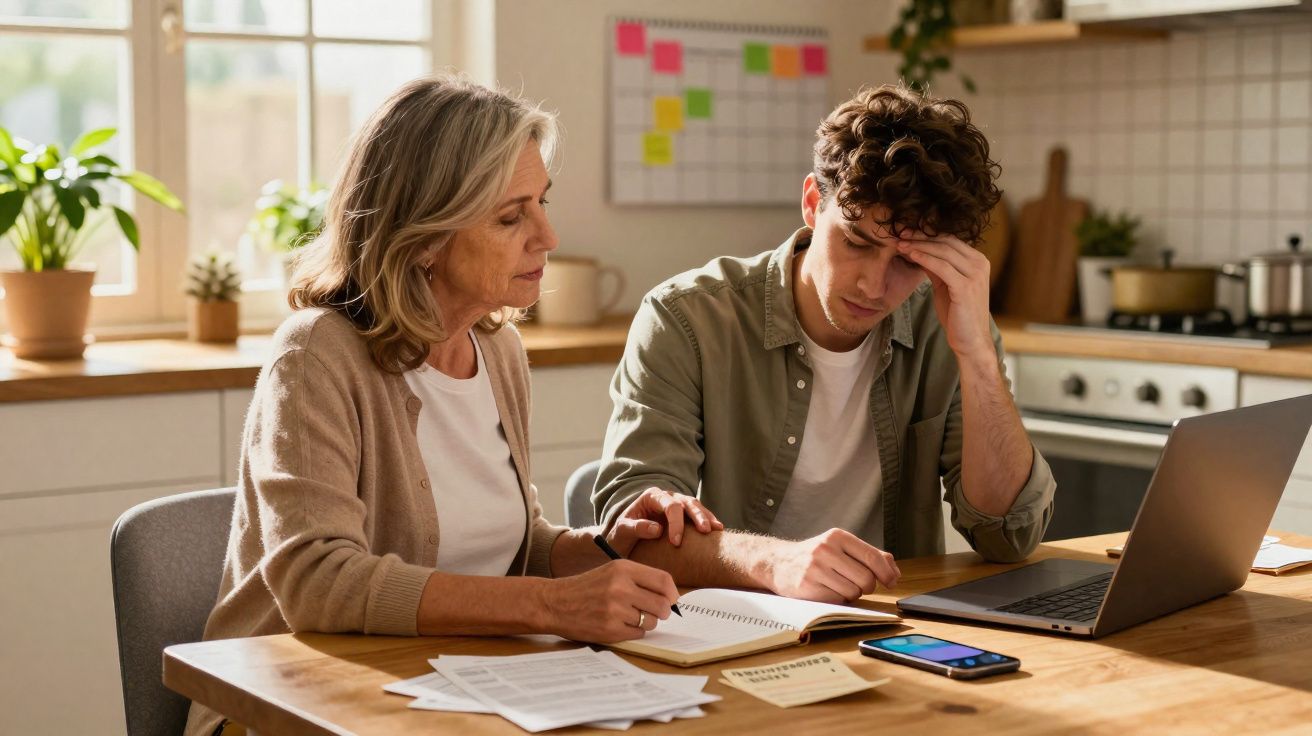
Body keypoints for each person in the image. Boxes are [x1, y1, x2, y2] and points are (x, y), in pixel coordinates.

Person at [185, 75, 725, 736]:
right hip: (288, 710)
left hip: (452, 691)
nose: (548, 235)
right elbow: (318, 582)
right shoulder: (316, 354)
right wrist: (552, 605)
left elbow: (510, 547)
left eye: (541, 203)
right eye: (510, 217)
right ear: (423, 239)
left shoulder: (498, 349)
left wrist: (604, 548)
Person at [593, 84, 1057, 604]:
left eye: (909, 262)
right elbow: (632, 535)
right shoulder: (687, 319)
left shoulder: (948, 324)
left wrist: (978, 358)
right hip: (739, 621)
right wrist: (774, 562)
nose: (873, 286)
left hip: (897, 622)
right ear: (813, 203)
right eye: (857, 242)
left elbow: (1009, 536)